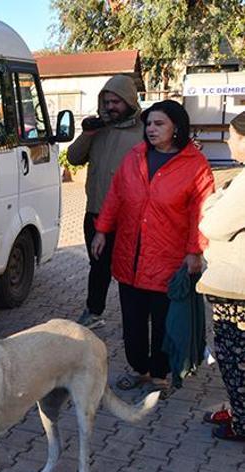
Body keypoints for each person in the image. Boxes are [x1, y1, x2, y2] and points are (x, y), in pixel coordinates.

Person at [91, 100, 215, 398]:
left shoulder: (195, 165)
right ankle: (140, 371)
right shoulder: (134, 157)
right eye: (148, 124)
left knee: (162, 323)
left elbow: (201, 213)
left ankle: (159, 376)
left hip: (167, 260)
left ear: (177, 128)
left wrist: (195, 251)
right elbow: (116, 197)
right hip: (129, 256)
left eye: (159, 124)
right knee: (132, 323)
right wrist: (102, 231)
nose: (151, 129)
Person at [67, 74, 145, 329]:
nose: (111, 107)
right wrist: (87, 134)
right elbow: (74, 158)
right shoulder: (97, 130)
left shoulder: (145, 132)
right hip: (95, 213)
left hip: (129, 218)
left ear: (130, 101)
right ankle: (94, 311)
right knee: (98, 267)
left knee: (129, 270)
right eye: (107, 101)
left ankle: (134, 320)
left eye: (117, 102)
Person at [197, 111, 245, 441]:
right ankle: (238, 409)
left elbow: (211, 224)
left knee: (234, 355)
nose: (229, 141)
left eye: (233, 136)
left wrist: (216, 198)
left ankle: (241, 421)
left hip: (237, 286)